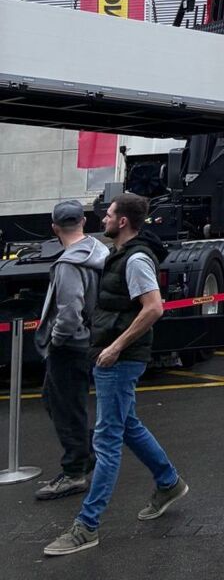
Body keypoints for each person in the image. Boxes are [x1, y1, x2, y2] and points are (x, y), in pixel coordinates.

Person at [43, 193, 187, 557]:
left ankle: (86, 526)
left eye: (108, 215)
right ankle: (168, 482)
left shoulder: (135, 259)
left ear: (122, 221)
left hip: (118, 360)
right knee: (128, 425)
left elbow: (154, 308)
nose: (102, 220)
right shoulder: (118, 254)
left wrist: (115, 347)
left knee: (106, 441)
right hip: (110, 355)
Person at [34, 199, 108, 501]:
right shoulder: (98, 251)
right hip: (90, 339)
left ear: (54, 228)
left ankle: (75, 471)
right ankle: (86, 453)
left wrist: (56, 340)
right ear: (84, 222)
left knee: (65, 408)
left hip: (70, 346)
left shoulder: (68, 264)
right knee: (61, 402)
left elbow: (68, 313)